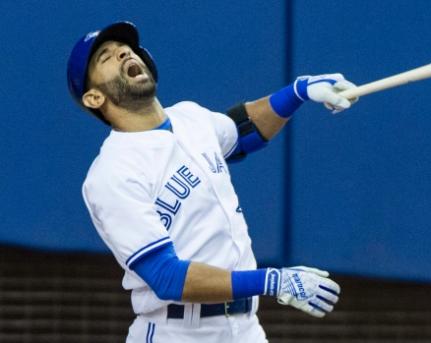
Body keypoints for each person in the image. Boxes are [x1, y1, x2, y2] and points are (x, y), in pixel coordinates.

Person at [67, 21, 358, 342]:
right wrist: (273, 280)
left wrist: (297, 93)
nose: (123, 52)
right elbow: (167, 276)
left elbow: (244, 131)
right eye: (105, 57)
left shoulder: (190, 117)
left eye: (126, 48)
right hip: (176, 331)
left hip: (245, 327)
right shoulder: (112, 172)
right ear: (94, 98)